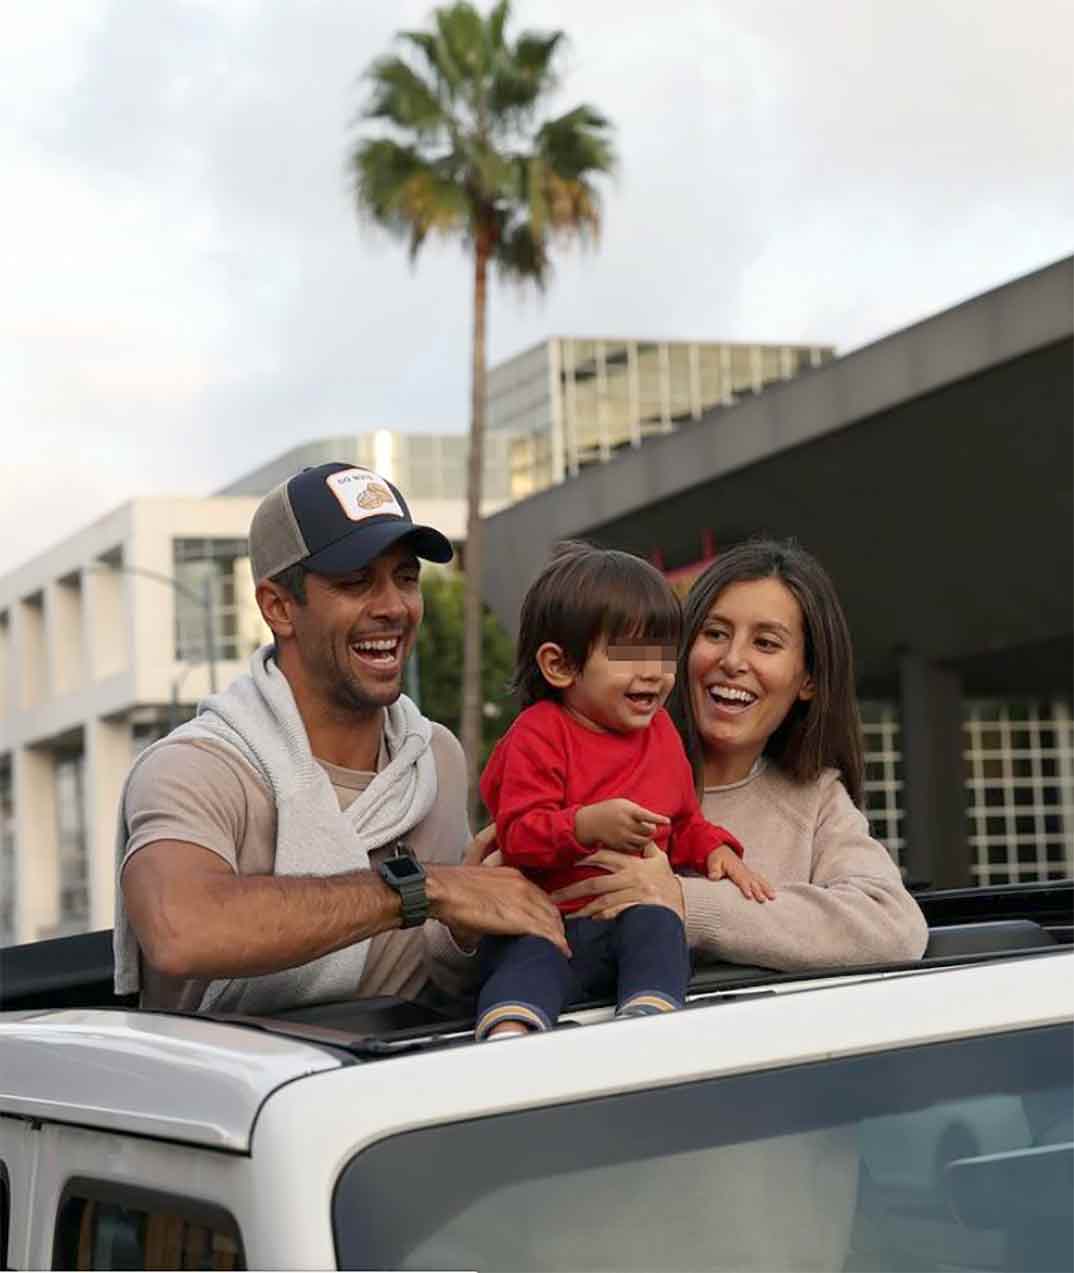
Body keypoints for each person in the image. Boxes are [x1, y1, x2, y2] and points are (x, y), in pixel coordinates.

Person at [114, 462, 567, 1015]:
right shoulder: (197, 768)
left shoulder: (434, 758)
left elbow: (444, 965)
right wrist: (421, 889)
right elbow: (180, 929)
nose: (393, 607)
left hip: (415, 1085)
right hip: (235, 1093)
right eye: (356, 582)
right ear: (279, 607)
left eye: (405, 577)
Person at [549, 537, 928, 970]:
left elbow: (894, 927)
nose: (732, 660)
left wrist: (684, 902)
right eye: (714, 634)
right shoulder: (574, 757)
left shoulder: (816, 800)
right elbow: (472, 937)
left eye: (765, 643)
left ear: (808, 680)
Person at [475, 542, 772, 1040]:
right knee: (524, 956)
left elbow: (682, 824)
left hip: (627, 917)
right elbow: (517, 834)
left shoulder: (661, 734)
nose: (654, 672)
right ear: (560, 666)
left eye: (663, 653)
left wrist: (717, 849)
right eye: (630, 653)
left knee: (659, 926)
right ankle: (511, 1032)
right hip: (549, 920)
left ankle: (649, 1017)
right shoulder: (537, 733)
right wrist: (585, 825)